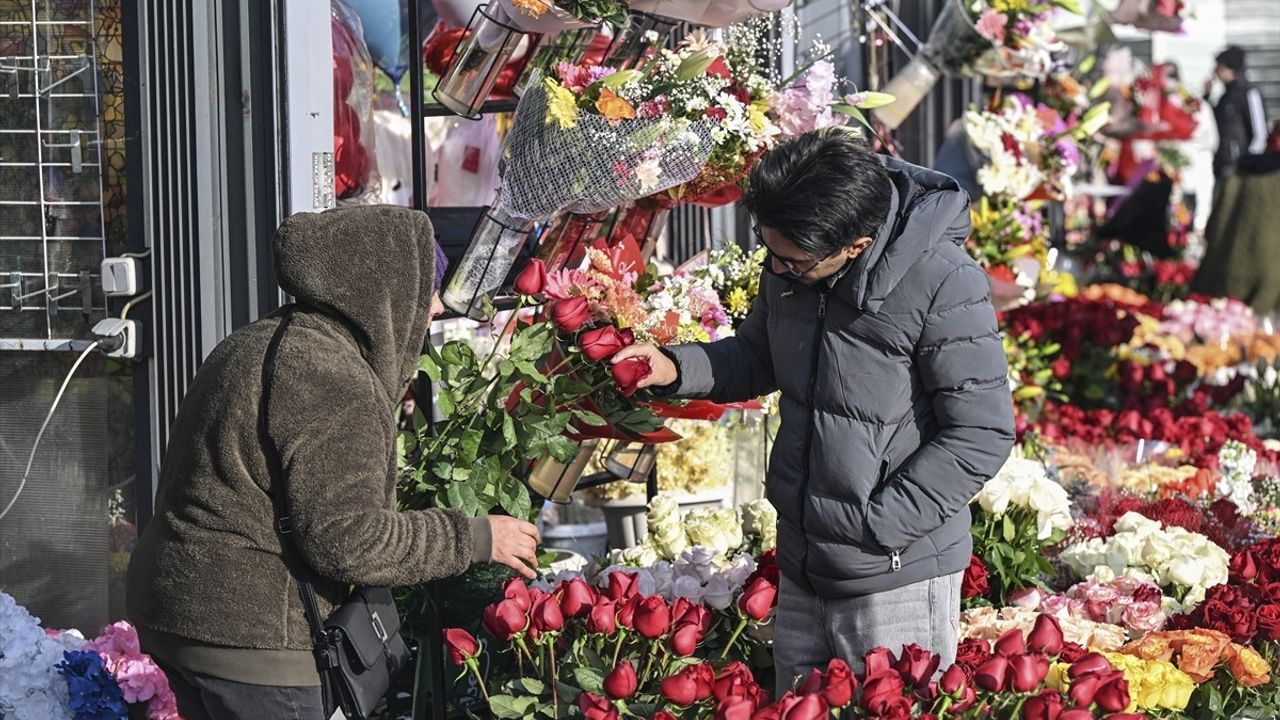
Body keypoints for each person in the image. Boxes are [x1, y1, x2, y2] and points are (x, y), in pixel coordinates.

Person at [613, 128, 1016, 693]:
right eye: (770, 252)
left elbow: (981, 433)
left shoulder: (942, 281)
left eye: (793, 262)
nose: (777, 270)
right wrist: (675, 368)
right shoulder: (792, 263)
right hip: (804, 565)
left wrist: (878, 525)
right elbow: (758, 354)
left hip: (895, 578)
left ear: (854, 244)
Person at [127, 206, 541, 720]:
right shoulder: (334, 378)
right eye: (427, 294)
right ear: (389, 293)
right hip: (254, 647)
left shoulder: (253, 342)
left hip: (178, 618)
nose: (434, 310)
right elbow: (349, 541)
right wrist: (476, 537)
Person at [1204, 46, 1269, 179]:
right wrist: (1206, 97)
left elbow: (1260, 135)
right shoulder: (1225, 97)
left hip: (1240, 169)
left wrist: (1247, 163)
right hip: (1221, 166)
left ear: (1232, 69)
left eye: (1220, 68)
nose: (1216, 72)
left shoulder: (1250, 94)